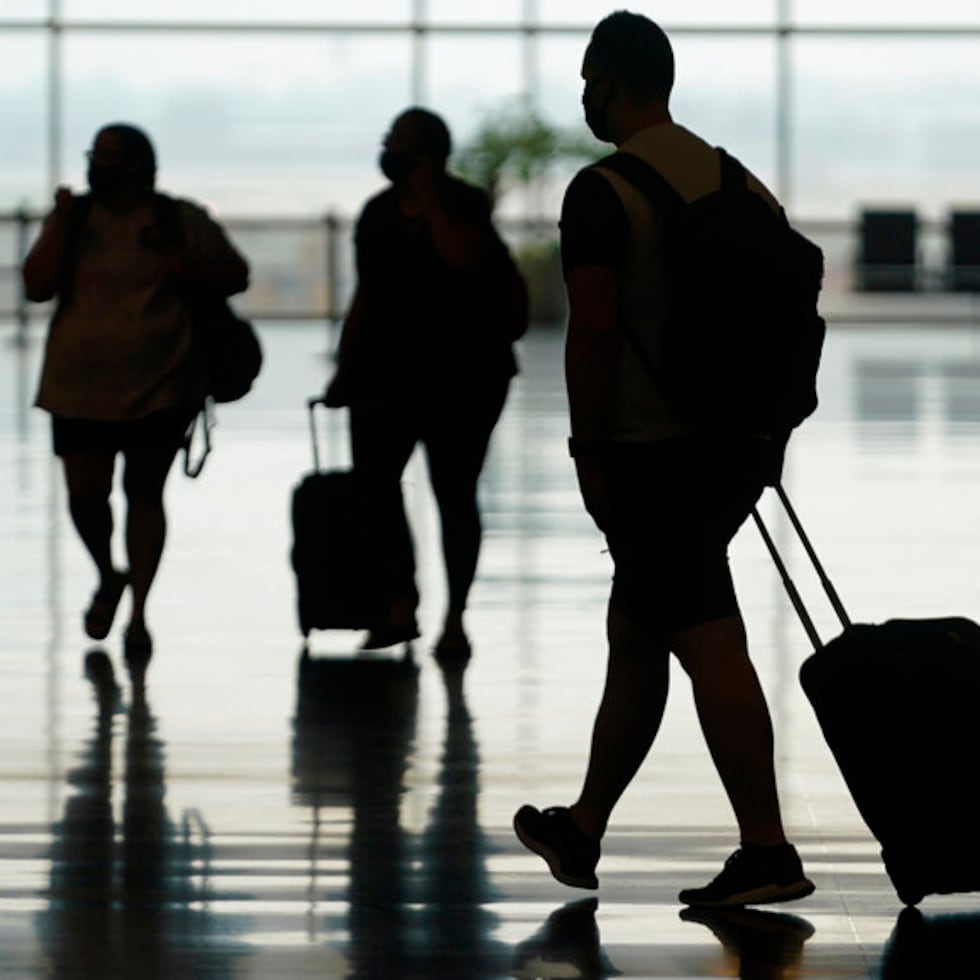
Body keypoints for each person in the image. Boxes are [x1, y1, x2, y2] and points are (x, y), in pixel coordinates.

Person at [513, 12, 815, 908]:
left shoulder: (603, 191)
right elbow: (789, 325)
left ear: (612, 81)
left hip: (651, 452)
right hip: (737, 446)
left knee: (708, 638)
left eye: (587, 81)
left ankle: (767, 850)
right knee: (639, 632)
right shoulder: (742, 183)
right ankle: (583, 828)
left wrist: (587, 445)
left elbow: (594, 327)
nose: (583, 97)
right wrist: (765, 443)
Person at [23, 122, 249, 669]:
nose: (102, 169)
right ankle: (109, 572)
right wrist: (59, 222)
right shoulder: (75, 221)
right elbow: (36, 284)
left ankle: (139, 609)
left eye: (113, 159)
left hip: (162, 381)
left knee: (144, 493)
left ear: (144, 167)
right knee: (85, 494)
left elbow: (235, 274)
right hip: (80, 384)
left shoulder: (180, 220)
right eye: (96, 157)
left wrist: (183, 263)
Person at [325, 107, 525, 659]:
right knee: (377, 490)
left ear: (429, 153)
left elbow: (461, 257)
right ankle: (398, 604)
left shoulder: (463, 205)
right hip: (387, 374)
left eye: (399, 143)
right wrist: (345, 368)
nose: (389, 150)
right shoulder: (378, 214)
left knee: (454, 494)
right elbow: (366, 295)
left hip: (463, 377)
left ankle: (454, 615)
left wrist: (429, 195)